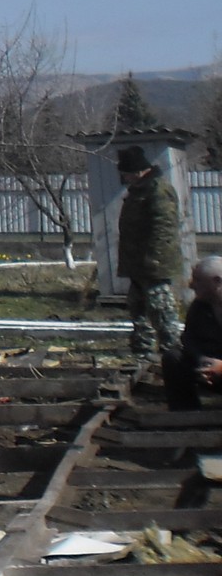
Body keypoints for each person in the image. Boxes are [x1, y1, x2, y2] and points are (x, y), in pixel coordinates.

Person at [116, 145, 183, 360]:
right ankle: (142, 351)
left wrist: (154, 260)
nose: (124, 178)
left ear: (136, 171)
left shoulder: (158, 190)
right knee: (138, 308)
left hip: (154, 264)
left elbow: (164, 227)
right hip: (136, 263)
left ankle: (172, 351)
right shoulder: (138, 191)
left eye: (125, 173)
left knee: (161, 309)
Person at [164, 256, 222, 412]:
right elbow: (188, 339)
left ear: (217, 281)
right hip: (209, 369)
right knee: (173, 357)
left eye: (197, 280)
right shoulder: (199, 307)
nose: (191, 285)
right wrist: (202, 360)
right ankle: (185, 413)